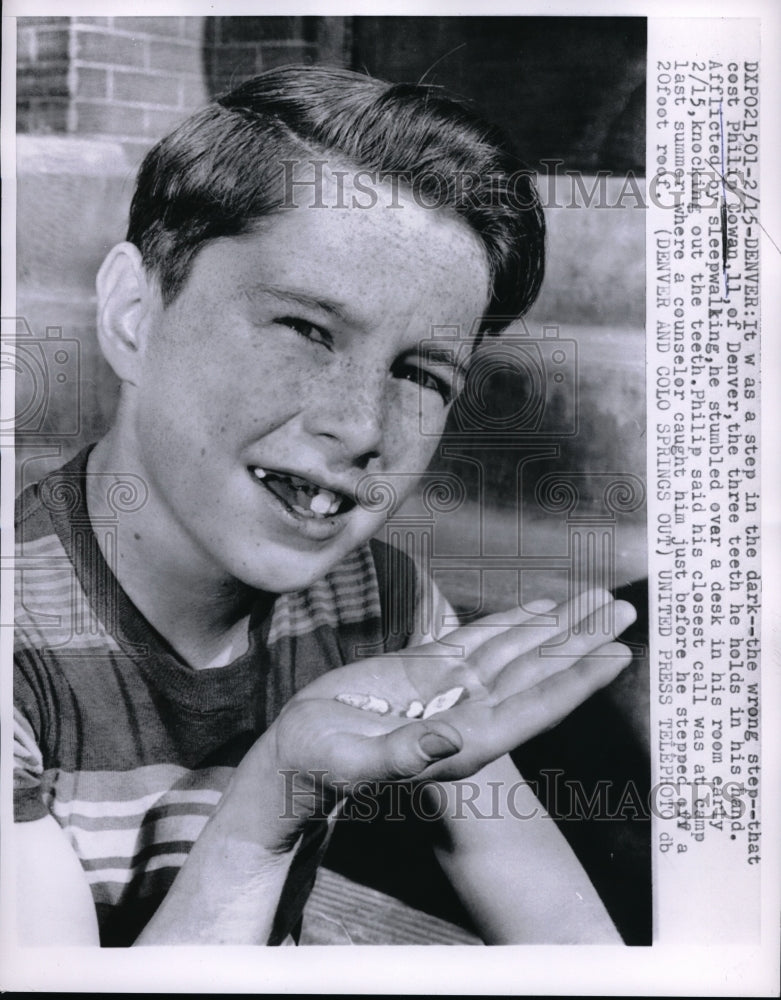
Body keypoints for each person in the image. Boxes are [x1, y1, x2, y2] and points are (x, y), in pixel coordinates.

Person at [13, 65, 636, 946]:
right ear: (131, 314)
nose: (358, 425)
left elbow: (577, 947)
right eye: (305, 329)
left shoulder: (381, 604)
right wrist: (269, 801)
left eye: (421, 374)